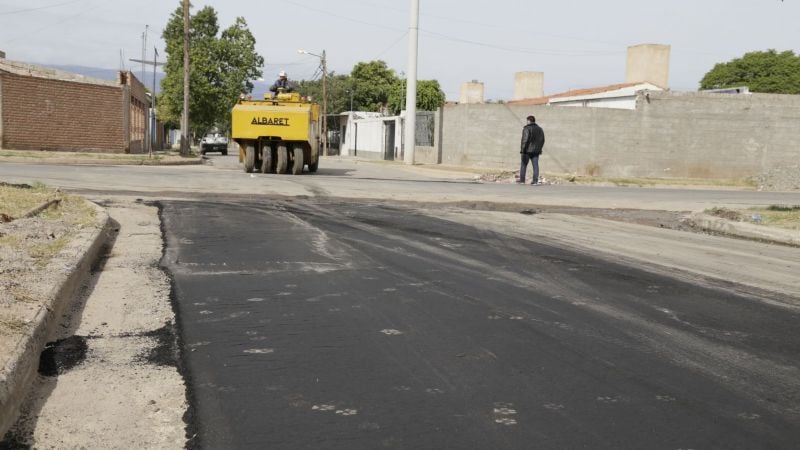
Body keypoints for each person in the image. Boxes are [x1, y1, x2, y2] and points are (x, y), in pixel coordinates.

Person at [518, 115, 545, 185]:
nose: (526, 122)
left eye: (527, 120)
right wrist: (539, 149)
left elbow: (525, 140)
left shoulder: (527, 128)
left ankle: (522, 181)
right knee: (535, 166)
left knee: (523, 165)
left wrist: (522, 150)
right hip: (536, 151)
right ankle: (535, 181)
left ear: (529, 121)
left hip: (527, 150)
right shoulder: (540, 129)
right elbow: (542, 140)